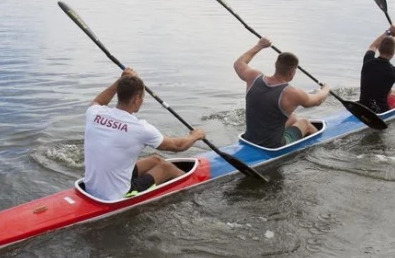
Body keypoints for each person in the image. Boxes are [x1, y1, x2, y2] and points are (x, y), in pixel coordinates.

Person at [82, 68, 205, 201]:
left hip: (90, 188)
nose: (143, 101)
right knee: (166, 167)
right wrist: (196, 135)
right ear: (136, 99)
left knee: (156, 159)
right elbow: (178, 146)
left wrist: (121, 80)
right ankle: (195, 187)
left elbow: (98, 101)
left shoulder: (95, 113)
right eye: (142, 97)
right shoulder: (140, 128)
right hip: (116, 196)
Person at [234, 37, 331, 148]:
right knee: (305, 123)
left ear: (276, 65)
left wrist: (259, 45)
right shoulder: (292, 93)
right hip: (273, 146)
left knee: (293, 118)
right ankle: (323, 147)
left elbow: (238, 64)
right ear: (291, 72)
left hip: (249, 139)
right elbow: (318, 100)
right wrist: (326, 88)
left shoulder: (253, 77)